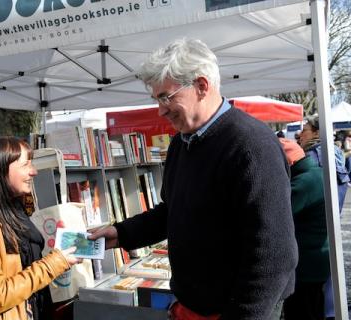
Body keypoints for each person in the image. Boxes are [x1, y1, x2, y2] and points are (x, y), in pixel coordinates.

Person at [89, 38, 298, 319]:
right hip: (193, 304)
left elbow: (274, 255)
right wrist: (122, 233)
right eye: (156, 99)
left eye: (166, 97)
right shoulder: (182, 143)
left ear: (201, 86)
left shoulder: (251, 146)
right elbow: (172, 212)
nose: (161, 110)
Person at [0, 137, 81, 320]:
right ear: (1, 170)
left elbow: (22, 265)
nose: (34, 171)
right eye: (25, 165)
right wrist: (54, 263)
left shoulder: (10, 208)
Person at [299, 116, 349, 320]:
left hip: (312, 238)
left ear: (317, 133)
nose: (300, 134)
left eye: (305, 130)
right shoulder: (336, 153)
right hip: (330, 232)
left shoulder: (312, 157)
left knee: (311, 301)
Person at [278, 138, 330, 320]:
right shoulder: (315, 173)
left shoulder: (303, 182)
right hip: (316, 260)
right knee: (313, 309)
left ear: (288, 163)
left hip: (306, 265)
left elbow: (277, 214)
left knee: (302, 312)